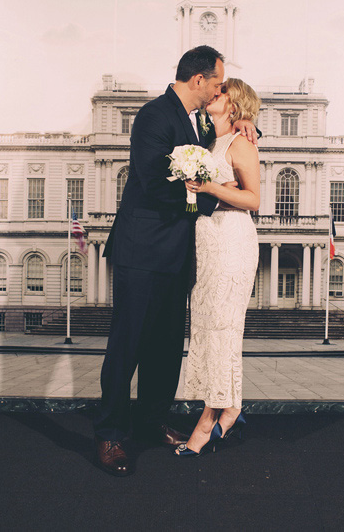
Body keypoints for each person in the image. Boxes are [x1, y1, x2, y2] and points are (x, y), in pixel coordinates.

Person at [94, 47, 258, 476]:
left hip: (179, 254)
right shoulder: (153, 115)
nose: (221, 90)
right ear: (198, 80)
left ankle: (149, 422)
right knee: (127, 345)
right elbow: (151, 181)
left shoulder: (201, 122)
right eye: (218, 83)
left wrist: (246, 121)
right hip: (142, 250)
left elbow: (222, 145)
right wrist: (201, 200)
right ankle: (111, 434)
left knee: (165, 348)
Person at [174, 78, 260, 457]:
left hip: (233, 239)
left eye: (221, 91)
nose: (214, 93)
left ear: (234, 103)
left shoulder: (242, 142)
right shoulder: (207, 142)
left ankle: (207, 421)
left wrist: (208, 187)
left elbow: (254, 199)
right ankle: (232, 406)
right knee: (209, 329)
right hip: (207, 241)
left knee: (223, 328)